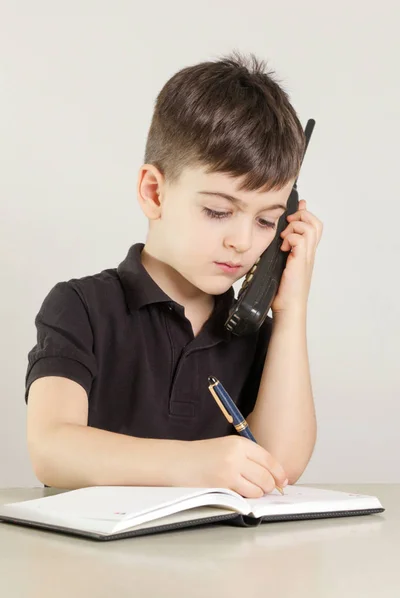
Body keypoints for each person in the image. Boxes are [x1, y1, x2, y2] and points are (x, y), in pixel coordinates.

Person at [25, 52, 323, 497]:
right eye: (218, 211)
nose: (242, 241)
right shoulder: (81, 307)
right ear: (154, 192)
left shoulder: (251, 331)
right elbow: (51, 447)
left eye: (266, 221)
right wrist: (198, 463)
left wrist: (291, 309)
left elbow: (279, 466)